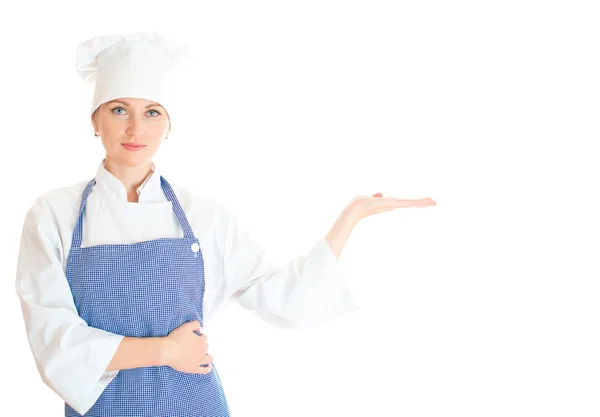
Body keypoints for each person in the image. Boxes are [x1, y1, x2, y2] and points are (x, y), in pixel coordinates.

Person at [14, 31, 436, 417]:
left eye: (153, 112)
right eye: (120, 109)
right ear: (94, 119)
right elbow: (54, 341)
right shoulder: (53, 215)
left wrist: (352, 217)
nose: (136, 128)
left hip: (194, 405)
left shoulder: (204, 215)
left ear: (169, 123)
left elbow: (282, 296)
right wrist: (166, 351)